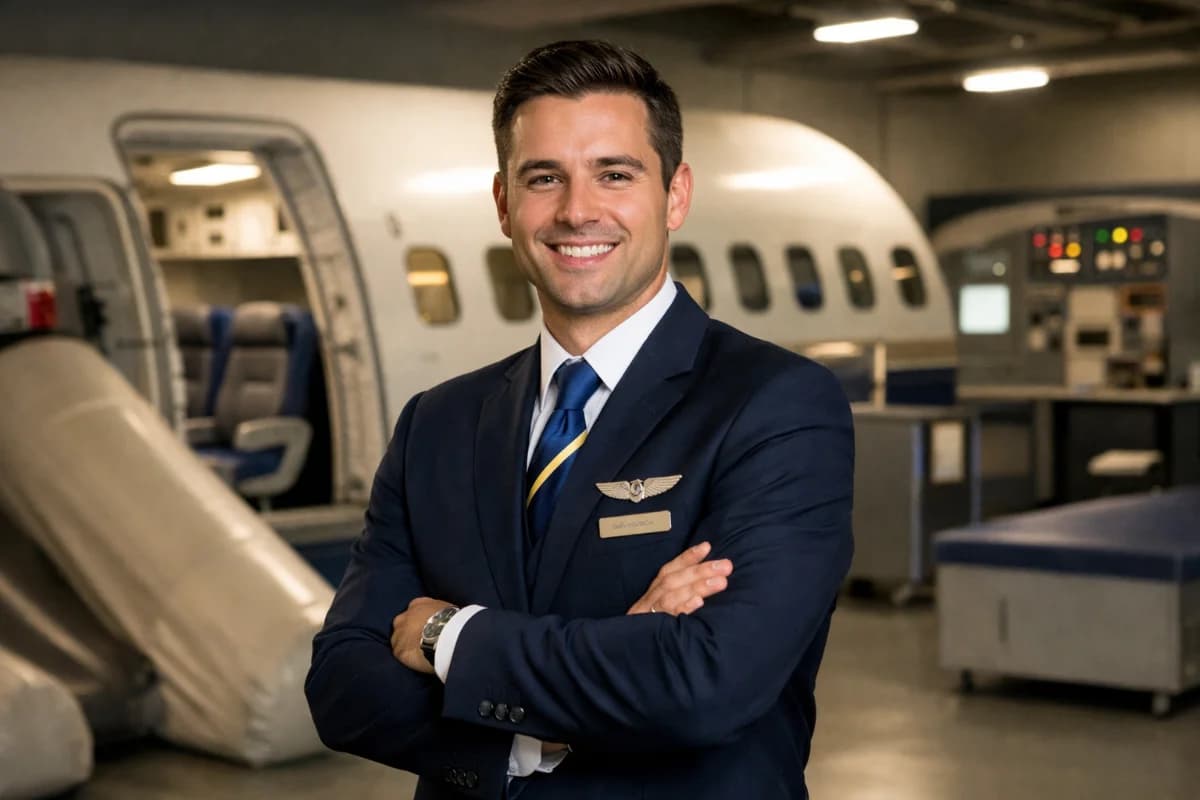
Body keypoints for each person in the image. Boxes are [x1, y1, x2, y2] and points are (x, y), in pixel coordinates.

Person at [305, 39, 854, 800]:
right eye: (544, 178)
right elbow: (341, 686)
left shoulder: (777, 406)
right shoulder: (437, 423)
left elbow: (705, 683)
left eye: (614, 174)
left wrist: (448, 635)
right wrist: (549, 723)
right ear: (504, 204)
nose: (576, 211)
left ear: (676, 195)